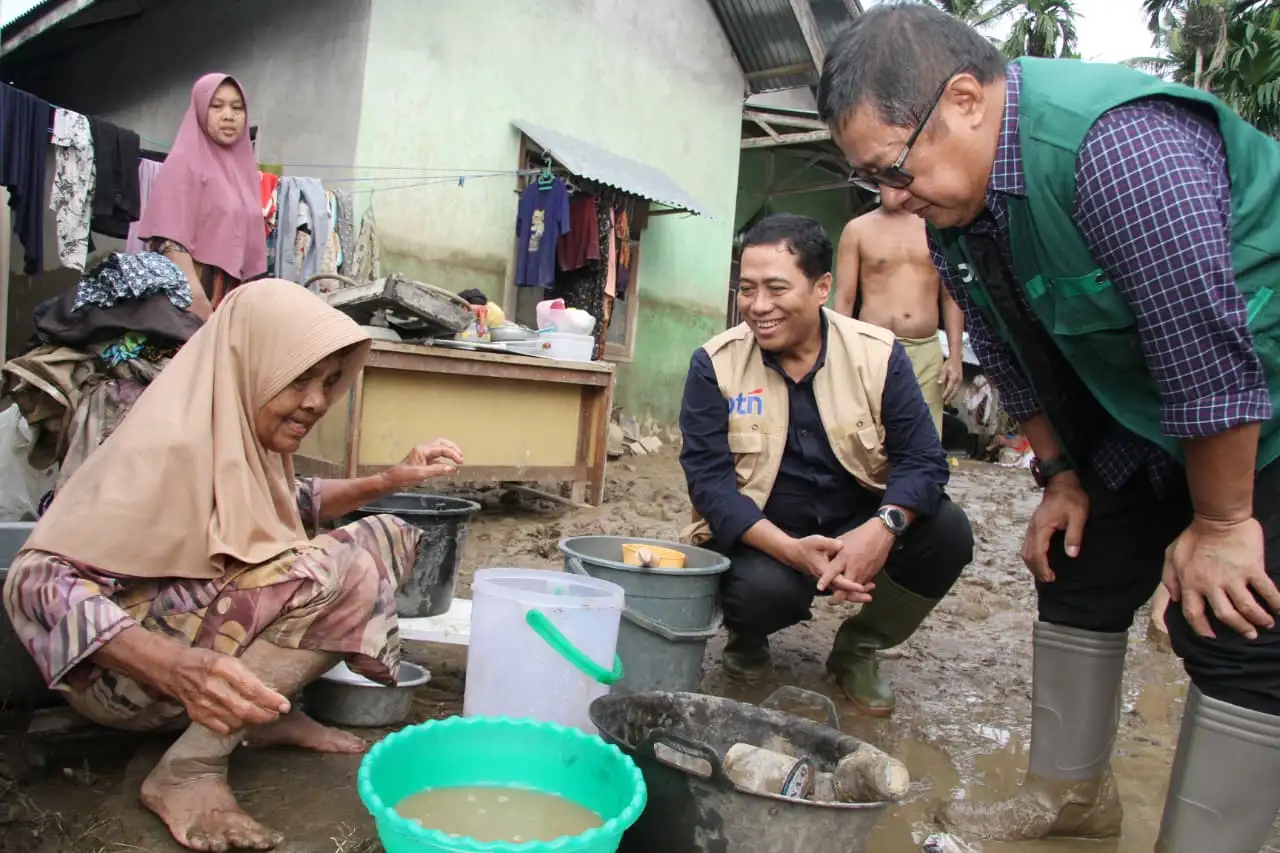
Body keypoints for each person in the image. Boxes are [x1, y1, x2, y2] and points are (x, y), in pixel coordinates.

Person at [817, 5, 1280, 850]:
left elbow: (1205, 347)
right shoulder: (960, 210)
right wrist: (1062, 476)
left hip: (1259, 400)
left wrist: (1220, 524)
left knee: (1238, 617)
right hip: (1142, 410)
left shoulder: (1118, 153)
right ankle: (1070, 795)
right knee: (1076, 557)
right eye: (871, 180)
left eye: (893, 166)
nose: (891, 195)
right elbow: (1006, 341)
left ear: (963, 99)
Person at [3, 280, 464, 852]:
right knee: (339, 569)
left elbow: (289, 503)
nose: (318, 401)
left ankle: (262, 716)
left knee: (384, 536)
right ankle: (189, 769)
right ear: (251, 364)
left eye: (328, 382)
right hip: (129, 680)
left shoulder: (237, 437)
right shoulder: (166, 446)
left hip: (193, 659)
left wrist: (390, 481)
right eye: (299, 378)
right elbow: (32, 580)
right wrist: (173, 667)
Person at [678, 213, 973, 716]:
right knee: (754, 591)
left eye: (776, 288)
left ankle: (858, 649)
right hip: (768, 537)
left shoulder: (877, 355)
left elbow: (924, 461)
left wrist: (881, 529)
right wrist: (792, 551)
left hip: (859, 523)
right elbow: (710, 487)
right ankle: (747, 640)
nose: (758, 306)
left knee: (948, 532)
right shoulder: (715, 364)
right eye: (747, 289)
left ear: (822, 287)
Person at [138, 73, 267, 320]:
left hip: (234, 298)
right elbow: (168, 238)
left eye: (237, 108)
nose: (228, 115)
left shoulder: (245, 172)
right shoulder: (184, 162)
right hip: (193, 294)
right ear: (200, 110)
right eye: (216, 106)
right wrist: (194, 296)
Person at [835, 197, 966, 436]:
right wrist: (840, 351)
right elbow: (845, 297)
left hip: (925, 350)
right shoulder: (858, 229)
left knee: (924, 435)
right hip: (871, 347)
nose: (891, 184)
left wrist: (955, 357)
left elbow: (952, 297)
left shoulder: (937, 227)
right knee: (869, 433)